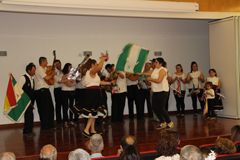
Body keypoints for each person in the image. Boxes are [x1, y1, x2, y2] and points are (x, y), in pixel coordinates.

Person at [70, 57, 114, 137]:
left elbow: (98, 82)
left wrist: (110, 83)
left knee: (95, 112)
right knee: (92, 112)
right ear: (92, 65)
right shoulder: (91, 71)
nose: (97, 66)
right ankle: (86, 130)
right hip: (92, 93)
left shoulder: (93, 74)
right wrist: (104, 58)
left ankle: (92, 130)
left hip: (95, 92)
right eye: (96, 64)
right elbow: (100, 67)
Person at [138, 57, 173, 130]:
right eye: (154, 62)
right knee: (154, 107)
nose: (154, 63)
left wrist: (150, 79)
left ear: (160, 63)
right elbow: (149, 73)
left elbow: (159, 80)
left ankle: (169, 122)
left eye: (156, 62)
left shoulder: (163, 70)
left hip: (163, 91)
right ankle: (162, 122)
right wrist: (141, 73)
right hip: (156, 91)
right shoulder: (155, 70)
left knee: (161, 108)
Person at [35, 57, 56, 130]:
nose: (47, 63)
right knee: (44, 109)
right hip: (41, 91)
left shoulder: (43, 70)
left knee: (50, 108)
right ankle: (45, 125)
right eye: (46, 61)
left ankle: (50, 124)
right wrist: (53, 73)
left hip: (45, 90)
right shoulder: (39, 69)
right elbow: (46, 78)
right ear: (43, 62)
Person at [18, 63, 36, 136]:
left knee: (30, 114)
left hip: (31, 100)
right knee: (28, 114)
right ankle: (26, 131)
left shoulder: (32, 79)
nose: (34, 72)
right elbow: (19, 89)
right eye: (33, 70)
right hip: (25, 100)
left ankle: (30, 130)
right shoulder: (23, 78)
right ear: (29, 70)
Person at [59, 63, 77, 127]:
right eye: (70, 67)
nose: (71, 68)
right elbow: (60, 81)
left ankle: (71, 120)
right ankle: (65, 121)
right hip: (65, 91)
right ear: (67, 68)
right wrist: (69, 79)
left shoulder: (73, 74)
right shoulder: (62, 73)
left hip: (72, 90)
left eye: (71, 67)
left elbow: (76, 81)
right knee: (65, 106)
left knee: (71, 106)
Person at [53, 59, 63, 126]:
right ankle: (58, 120)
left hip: (63, 89)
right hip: (57, 89)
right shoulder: (54, 72)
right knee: (58, 105)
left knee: (64, 105)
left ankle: (64, 119)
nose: (58, 65)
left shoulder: (63, 71)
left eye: (59, 63)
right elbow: (58, 80)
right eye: (56, 64)